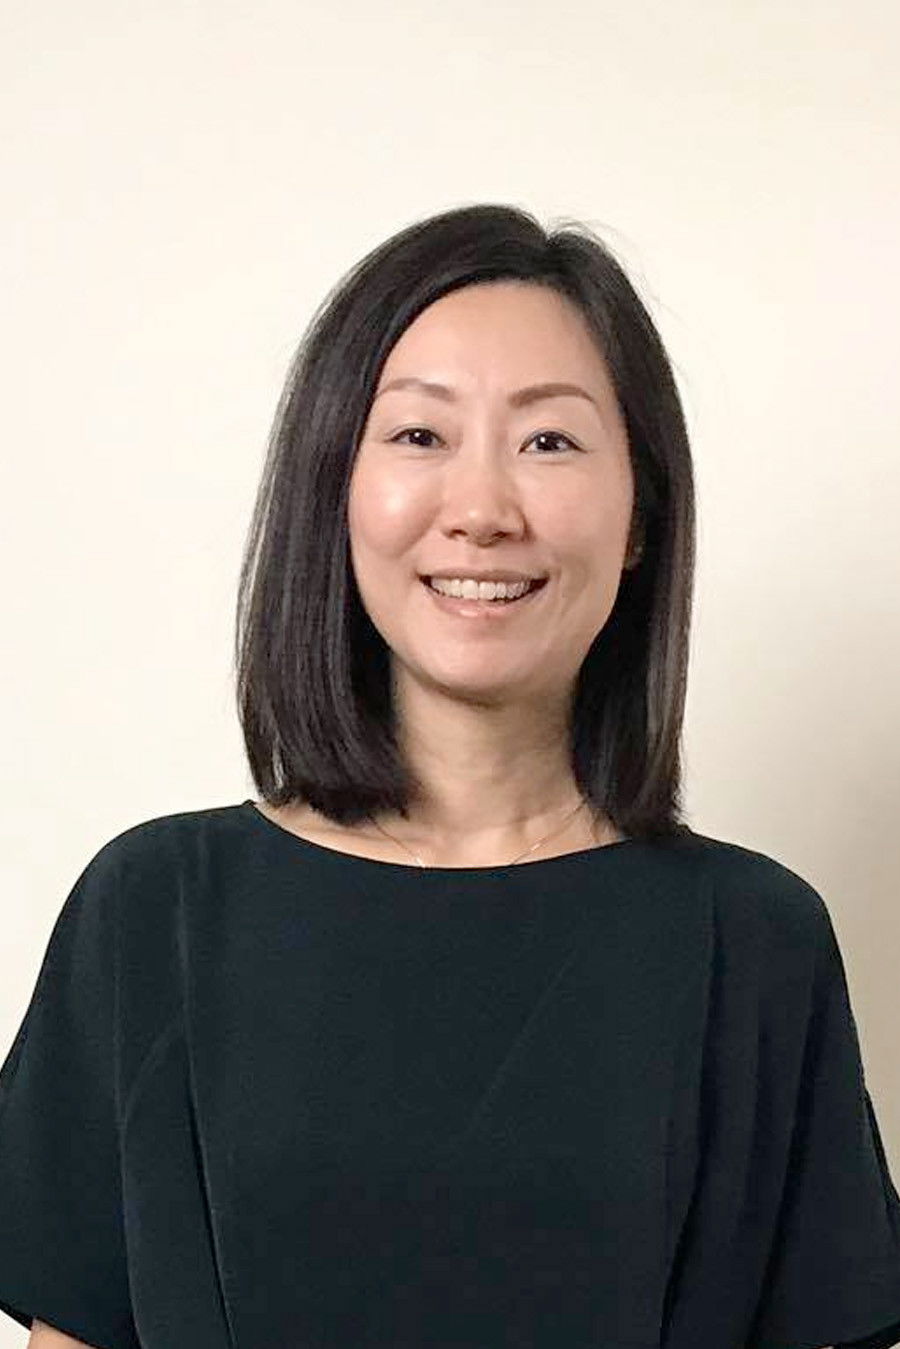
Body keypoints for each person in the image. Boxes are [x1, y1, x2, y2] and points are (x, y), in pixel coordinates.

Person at [1, 203, 898, 1349]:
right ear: (335, 488)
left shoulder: (756, 939)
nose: (480, 512)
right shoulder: (153, 909)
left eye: (550, 441)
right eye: (421, 435)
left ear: (641, 515)